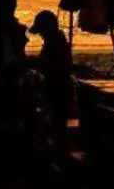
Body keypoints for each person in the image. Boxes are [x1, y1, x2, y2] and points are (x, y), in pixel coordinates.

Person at [30, 10, 73, 150]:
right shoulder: (57, 41)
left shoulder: (54, 45)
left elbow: (49, 67)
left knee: (57, 126)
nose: (41, 35)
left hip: (58, 91)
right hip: (60, 89)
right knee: (57, 126)